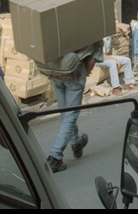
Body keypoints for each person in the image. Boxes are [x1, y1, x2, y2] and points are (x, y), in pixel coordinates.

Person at [44, 41, 103, 173]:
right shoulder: (96, 37)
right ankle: (55, 156)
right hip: (74, 76)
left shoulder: (64, 28)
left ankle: (76, 142)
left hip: (57, 73)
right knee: (70, 116)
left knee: (65, 113)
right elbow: (91, 61)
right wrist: (83, 77)